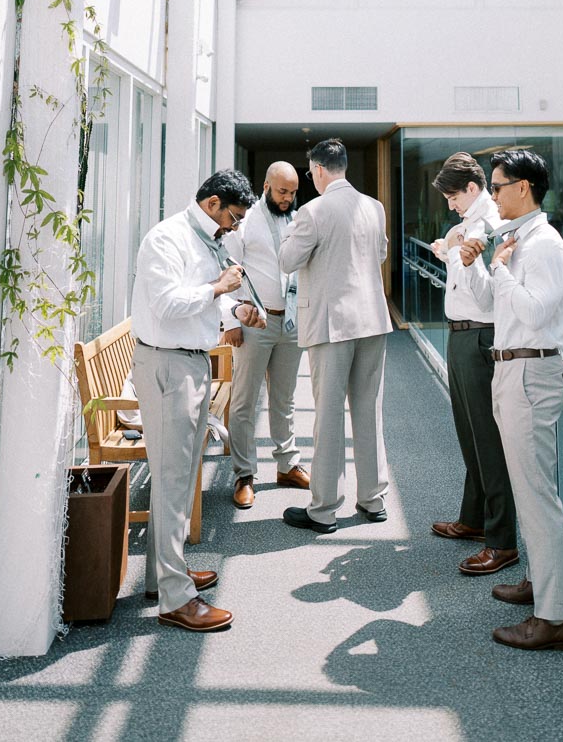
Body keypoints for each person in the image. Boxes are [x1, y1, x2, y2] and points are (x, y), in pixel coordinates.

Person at [130, 168, 263, 632]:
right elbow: (167, 304)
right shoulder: (167, 240)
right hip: (168, 364)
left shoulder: (204, 237)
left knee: (183, 474)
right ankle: (175, 600)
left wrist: (236, 308)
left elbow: (205, 300)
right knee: (171, 479)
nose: (236, 226)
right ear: (212, 204)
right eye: (234, 217)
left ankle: (164, 577)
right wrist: (218, 288)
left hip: (189, 362)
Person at [459, 147, 563, 651]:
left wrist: (501, 268)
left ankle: (556, 618)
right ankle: (539, 584)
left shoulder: (545, 244)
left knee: (537, 496)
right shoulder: (515, 240)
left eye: (498, 185)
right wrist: (477, 266)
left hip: (531, 370)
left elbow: (532, 313)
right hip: (511, 368)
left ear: (523, 188)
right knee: (528, 490)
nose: (492, 194)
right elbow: (490, 304)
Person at [278, 138, 392, 534]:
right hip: (373, 321)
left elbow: (287, 260)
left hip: (332, 324)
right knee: (368, 410)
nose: (311, 178)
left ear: (320, 170)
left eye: (310, 173)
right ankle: (373, 499)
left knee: (328, 416)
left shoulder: (311, 211)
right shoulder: (374, 207)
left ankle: (324, 509)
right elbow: (379, 254)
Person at [429, 153, 519, 577]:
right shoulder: (466, 227)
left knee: (487, 438)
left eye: (452, 196)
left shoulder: (485, 228)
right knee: (468, 431)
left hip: (479, 336)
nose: (449, 204)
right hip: (460, 333)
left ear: (471, 189)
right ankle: (474, 518)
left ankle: (501, 541)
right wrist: (448, 250)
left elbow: (484, 299)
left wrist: (453, 255)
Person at [220, 162, 310, 509]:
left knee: (285, 399)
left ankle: (287, 465)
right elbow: (229, 269)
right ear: (266, 186)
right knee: (244, 401)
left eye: (292, 193)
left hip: (289, 324)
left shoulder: (296, 219)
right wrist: (231, 322)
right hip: (254, 323)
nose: (287, 198)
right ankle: (244, 475)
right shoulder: (246, 221)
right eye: (282, 191)